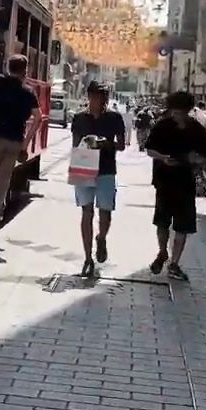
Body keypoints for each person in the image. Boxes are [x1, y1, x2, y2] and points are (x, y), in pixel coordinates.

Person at [146, 90, 206, 281]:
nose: (178, 116)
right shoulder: (162, 126)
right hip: (164, 180)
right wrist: (163, 158)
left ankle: (174, 263)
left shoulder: (196, 129)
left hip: (185, 181)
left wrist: (196, 160)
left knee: (183, 225)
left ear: (188, 110)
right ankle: (162, 252)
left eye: (182, 112)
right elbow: (149, 149)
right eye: (175, 112)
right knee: (162, 221)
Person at [71, 82, 126, 278]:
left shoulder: (114, 117)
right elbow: (75, 145)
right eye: (95, 96)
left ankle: (101, 238)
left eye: (102, 96)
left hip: (106, 170)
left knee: (105, 212)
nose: (99, 100)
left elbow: (122, 145)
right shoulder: (79, 118)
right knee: (86, 212)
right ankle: (87, 258)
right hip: (85, 169)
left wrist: (106, 143)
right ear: (89, 97)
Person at [0, 54, 41, 223]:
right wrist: (25, 144)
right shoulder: (28, 91)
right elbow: (38, 118)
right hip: (15, 140)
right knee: (4, 178)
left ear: (8, 66)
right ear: (25, 71)